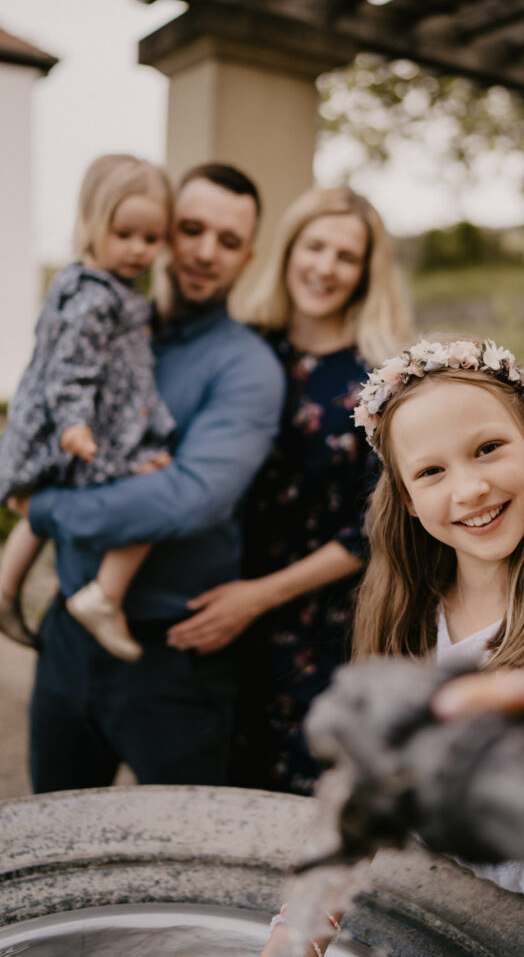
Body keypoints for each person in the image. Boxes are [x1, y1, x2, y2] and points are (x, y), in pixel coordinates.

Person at [263, 333, 524, 957]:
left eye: (489, 449)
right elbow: (352, 799)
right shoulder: (408, 612)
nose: (469, 490)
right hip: (443, 909)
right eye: (432, 471)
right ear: (409, 501)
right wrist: (297, 931)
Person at [13, 162, 285, 792]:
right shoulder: (99, 321)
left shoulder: (247, 367)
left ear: (248, 256)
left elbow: (187, 499)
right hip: (66, 640)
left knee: (185, 864)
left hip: (174, 662)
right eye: (190, 229)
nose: (203, 252)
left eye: (227, 241)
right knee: (54, 839)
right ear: (163, 229)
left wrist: (44, 511)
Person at [167, 186, 413, 795]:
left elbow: (374, 526)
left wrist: (257, 597)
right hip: (214, 605)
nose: (326, 267)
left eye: (346, 256)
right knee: (209, 797)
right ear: (288, 250)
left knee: (297, 809)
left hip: (318, 625)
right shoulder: (240, 350)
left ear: (364, 274)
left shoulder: (383, 380)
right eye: (315, 246)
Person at [0, 154, 175, 662]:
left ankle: (7, 588)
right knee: (154, 482)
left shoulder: (94, 284)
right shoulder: (96, 299)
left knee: (41, 505)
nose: (139, 250)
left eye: (151, 238)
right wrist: (75, 423)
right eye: (124, 234)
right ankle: (105, 595)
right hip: (76, 428)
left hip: (59, 426)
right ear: (91, 224)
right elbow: (71, 369)